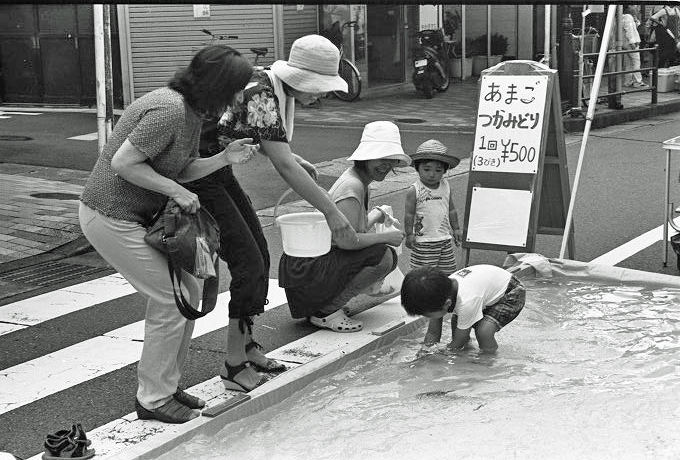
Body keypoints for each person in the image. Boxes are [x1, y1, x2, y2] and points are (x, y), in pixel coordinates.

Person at [79, 45, 257, 423]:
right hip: (108, 214)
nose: (240, 96)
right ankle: (154, 397)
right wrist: (176, 191)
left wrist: (225, 158)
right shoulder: (170, 108)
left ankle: (166, 387)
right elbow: (123, 163)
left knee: (187, 294)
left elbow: (184, 167)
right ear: (219, 85)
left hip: (132, 216)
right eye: (237, 88)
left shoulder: (190, 112)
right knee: (172, 297)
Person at [187, 34, 360, 390]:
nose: (320, 96)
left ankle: (248, 346)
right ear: (299, 78)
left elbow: (260, 139)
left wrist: (293, 157)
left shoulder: (268, 83)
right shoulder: (261, 91)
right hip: (197, 176)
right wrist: (331, 212)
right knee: (248, 263)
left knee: (260, 254)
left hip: (216, 171)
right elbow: (282, 165)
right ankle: (234, 366)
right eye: (319, 88)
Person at [279, 121, 408, 333]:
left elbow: (349, 228)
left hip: (307, 267)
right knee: (384, 256)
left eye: (391, 160)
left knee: (379, 252)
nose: (387, 165)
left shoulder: (358, 179)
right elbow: (346, 241)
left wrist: (376, 215)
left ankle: (327, 304)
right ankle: (325, 311)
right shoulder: (353, 185)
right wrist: (386, 237)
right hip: (307, 271)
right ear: (366, 157)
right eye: (381, 159)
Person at [401, 264, 526, 352]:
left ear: (446, 304)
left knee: (483, 331)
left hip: (511, 292)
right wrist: (426, 350)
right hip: (486, 289)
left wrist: (446, 353)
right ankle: (468, 349)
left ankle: (488, 358)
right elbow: (433, 333)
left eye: (427, 315)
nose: (427, 317)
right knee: (459, 325)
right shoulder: (439, 290)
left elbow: (457, 343)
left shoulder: (467, 301)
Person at [404, 139, 461, 277]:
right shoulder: (415, 190)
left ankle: (441, 295)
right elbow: (409, 214)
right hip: (424, 241)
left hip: (444, 239)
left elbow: (451, 209)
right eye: (427, 169)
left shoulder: (446, 186)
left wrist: (456, 229)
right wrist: (409, 234)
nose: (432, 174)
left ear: (445, 171)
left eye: (438, 170)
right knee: (423, 275)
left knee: (447, 272)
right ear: (417, 168)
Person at [622, 5, 647, 88]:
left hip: (626, 43)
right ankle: (638, 82)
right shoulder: (628, 17)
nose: (637, 8)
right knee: (636, 62)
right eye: (634, 7)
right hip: (631, 44)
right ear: (629, 7)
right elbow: (629, 30)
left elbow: (632, 28)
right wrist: (632, 42)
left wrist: (636, 21)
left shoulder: (624, 17)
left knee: (628, 64)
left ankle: (628, 81)